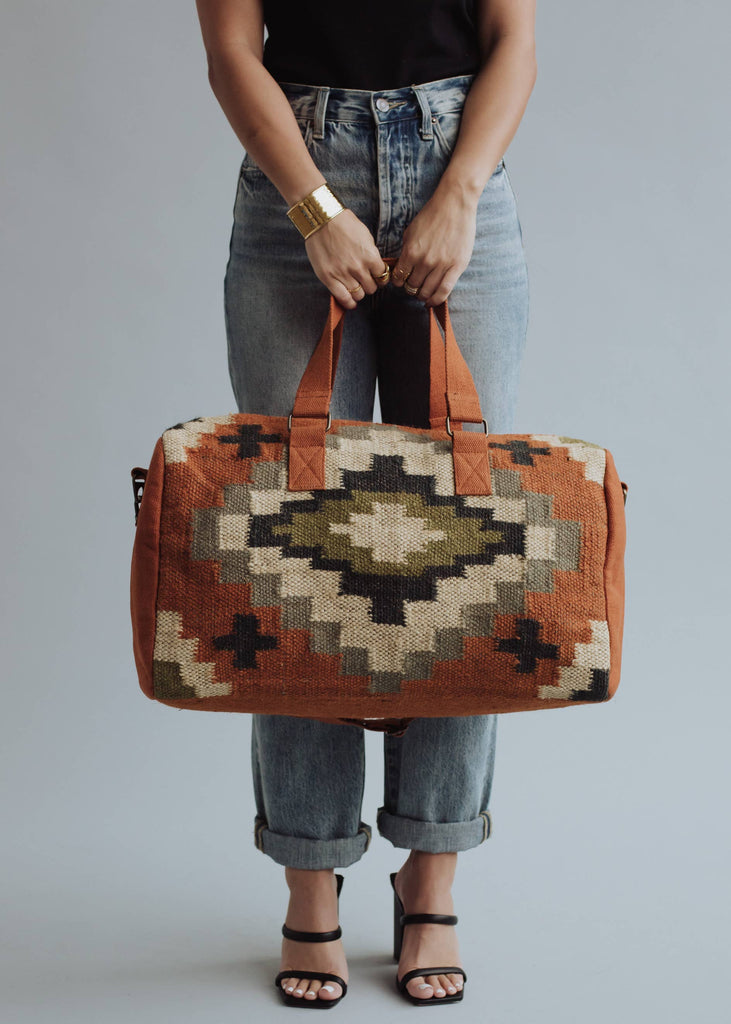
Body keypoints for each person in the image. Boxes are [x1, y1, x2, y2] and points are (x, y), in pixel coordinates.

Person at [195, 0, 536, 1007]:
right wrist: (314, 208)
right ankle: (310, 881)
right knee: (296, 551)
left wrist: (460, 193)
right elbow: (228, 50)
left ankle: (429, 877)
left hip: (455, 160)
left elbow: (511, 37)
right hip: (297, 169)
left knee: (463, 548)